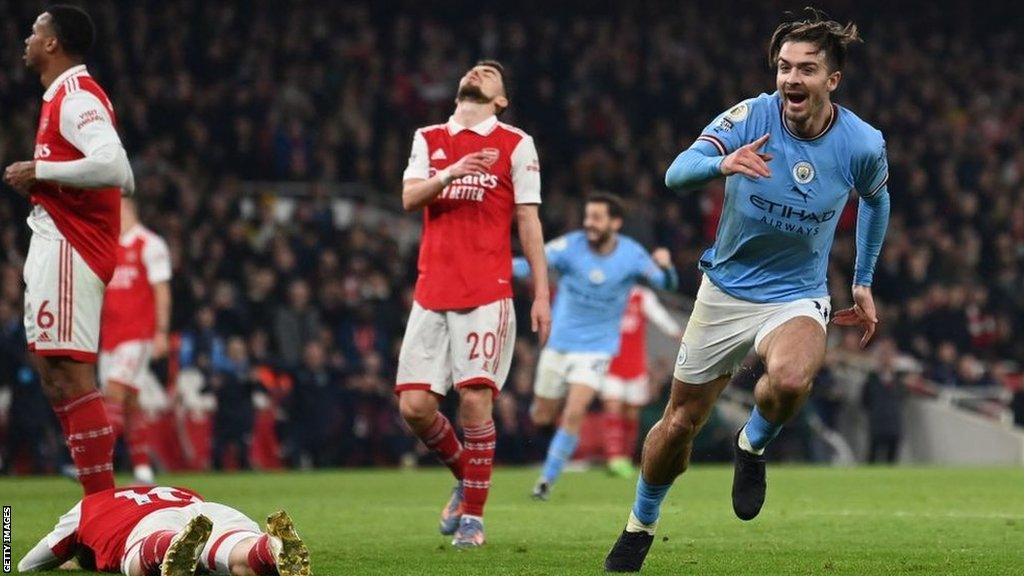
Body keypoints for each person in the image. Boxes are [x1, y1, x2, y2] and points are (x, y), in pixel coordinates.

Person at [605, 10, 890, 571]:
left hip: (797, 295)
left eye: (806, 69)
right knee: (679, 424)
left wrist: (861, 280)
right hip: (725, 290)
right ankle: (641, 523)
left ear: (832, 80)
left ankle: (752, 444)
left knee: (790, 378)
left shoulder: (862, 143)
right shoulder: (751, 115)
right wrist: (721, 162)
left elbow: (877, 201)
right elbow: (675, 172)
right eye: (784, 67)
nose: (790, 79)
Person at [395, 59, 551, 548]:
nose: (479, 73)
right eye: (475, 70)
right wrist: (451, 174)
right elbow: (409, 198)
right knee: (415, 408)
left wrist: (541, 292)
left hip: (487, 289)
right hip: (432, 289)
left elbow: (528, 220)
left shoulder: (515, 143)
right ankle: (469, 476)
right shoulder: (428, 137)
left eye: (491, 74)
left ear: (501, 99)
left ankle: (474, 520)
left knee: (475, 400)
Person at [3, 5, 134, 494]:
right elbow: (126, 175)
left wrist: (42, 172)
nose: (27, 39)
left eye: (35, 31)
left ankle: (102, 505)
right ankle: (96, 503)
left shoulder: (75, 97)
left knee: (71, 376)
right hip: (59, 241)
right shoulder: (59, 96)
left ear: (53, 43)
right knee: (53, 374)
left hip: (70, 245)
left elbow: (115, 166)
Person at [514, 194, 677, 500]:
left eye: (597, 218)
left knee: (575, 411)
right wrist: (493, 267)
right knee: (542, 415)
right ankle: (550, 437)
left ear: (614, 223)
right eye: (587, 217)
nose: (589, 223)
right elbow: (531, 264)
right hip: (559, 344)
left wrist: (667, 269)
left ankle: (546, 481)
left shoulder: (632, 255)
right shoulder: (570, 246)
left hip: (597, 349)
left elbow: (665, 284)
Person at [17, 485, 310, 576]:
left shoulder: (86, 506)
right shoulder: (176, 489)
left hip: (148, 525)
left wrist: (65, 561)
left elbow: (27, 563)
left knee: (136, 556)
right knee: (234, 554)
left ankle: (164, 547)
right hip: (206, 508)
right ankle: (268, 550)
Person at [99, 197, 172, 484]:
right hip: (109, 338)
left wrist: (161, 331)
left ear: (127, 209)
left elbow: (162, 291)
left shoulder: (149, 244)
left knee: (114, 392)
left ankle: (94, 462)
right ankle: (143, 470)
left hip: (137, 336)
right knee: (130, 402)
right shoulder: (107, 246)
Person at [602, 286, 683, 478]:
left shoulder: (641, 296)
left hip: (635, 367)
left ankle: (626, 459)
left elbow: (661, 318)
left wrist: (679, 335)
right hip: (609, 365)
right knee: (613, 407)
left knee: (631, 413)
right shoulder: (606, 293)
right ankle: (613, 458)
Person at [861, 336, 906, 463]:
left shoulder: (899, 380)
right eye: (883, 354)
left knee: (891, 461)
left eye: (889, 354)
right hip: (877, 424)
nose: (886, 358)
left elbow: (902, 398)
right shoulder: (872, 379)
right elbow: (865, 400)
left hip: (894, 425)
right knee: (872, 459)